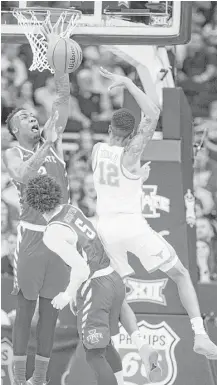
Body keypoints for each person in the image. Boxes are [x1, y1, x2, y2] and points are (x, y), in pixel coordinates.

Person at [91, 67, 217, 360]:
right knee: (181, 274)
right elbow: (154, 112)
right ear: (133, 134)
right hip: (131, 226)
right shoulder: (132, 152)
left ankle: (140, 345)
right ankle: (200, 336)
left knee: (118, 290)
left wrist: (138, 178)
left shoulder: (98, 150)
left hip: (105, 230)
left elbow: (121, 178)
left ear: (109, 130)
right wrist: (128, 84)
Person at [25, 174, 161, 385]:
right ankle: (141, 346)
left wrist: (67, 293)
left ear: (33, 205)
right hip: (112, 277)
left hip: (95, 287)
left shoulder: (52, 232)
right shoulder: (72, 210)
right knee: (103, 345)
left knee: (93, 352)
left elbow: (81, 268)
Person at [3, 24, 71, 385]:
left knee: (51, 313)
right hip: (31, 239)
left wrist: (60, 63)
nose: (33, 118)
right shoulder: (14, 153)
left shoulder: (54, 143)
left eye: (33, 115)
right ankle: (16, 377)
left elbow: (62, 98)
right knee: (24, 310)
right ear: (15, 131)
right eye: (24, 118)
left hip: (61, 237)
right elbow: (27, 176)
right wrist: (47, 143)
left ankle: (40, 379)